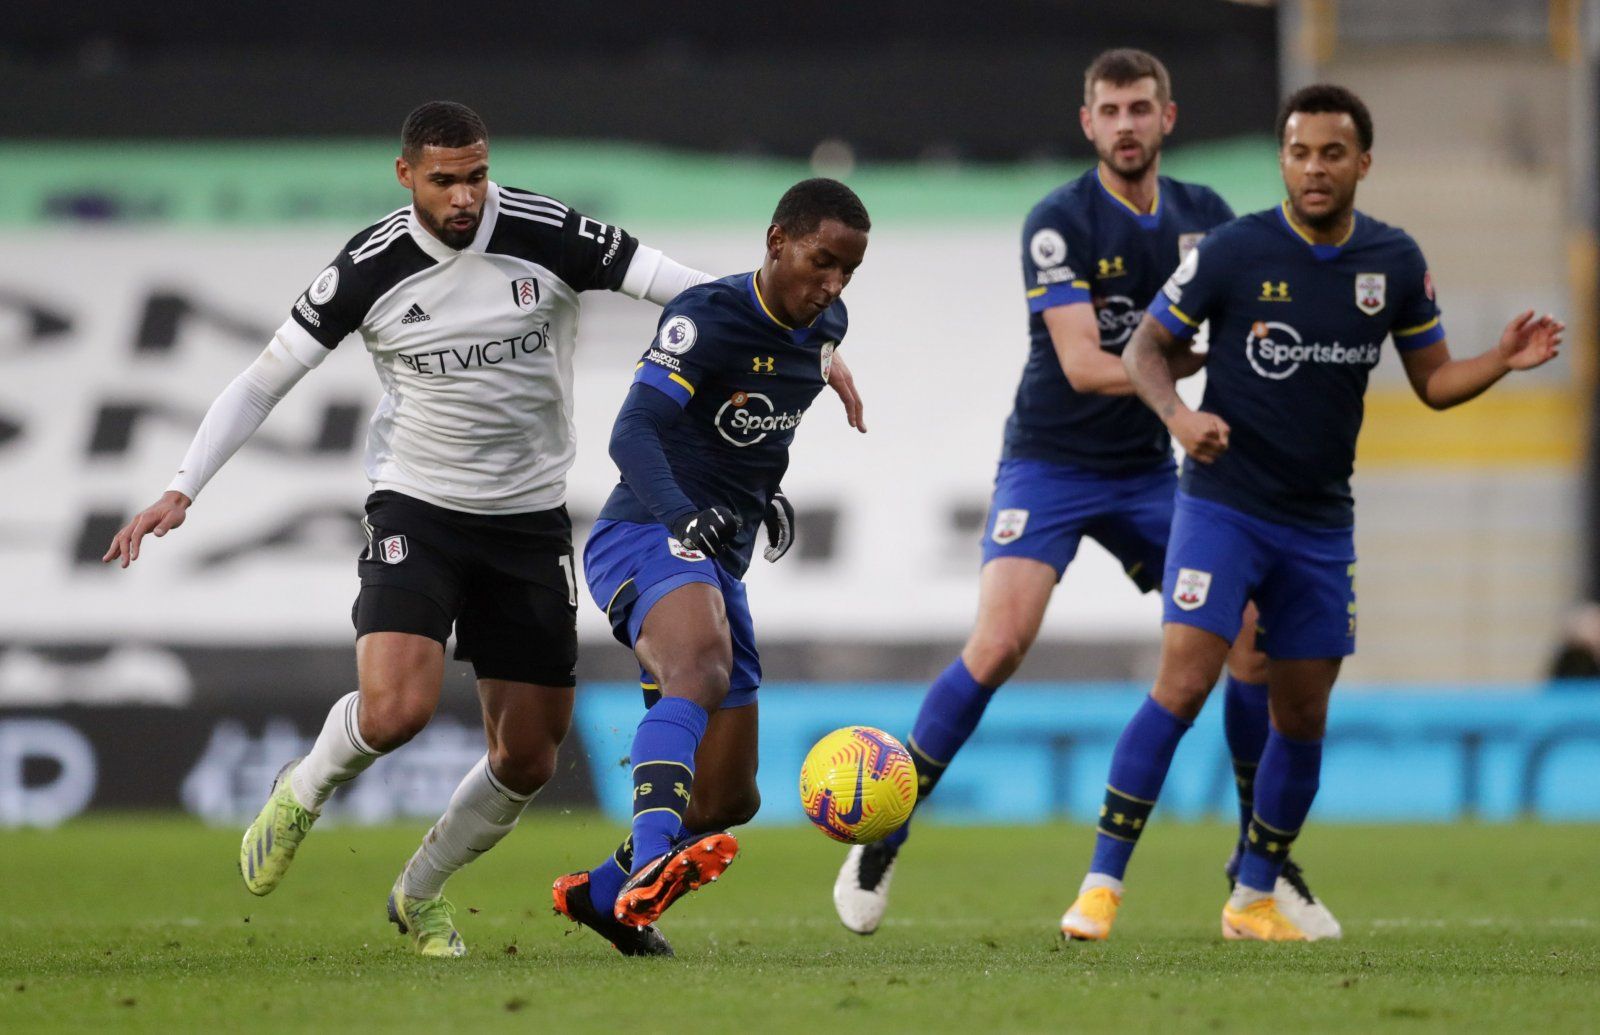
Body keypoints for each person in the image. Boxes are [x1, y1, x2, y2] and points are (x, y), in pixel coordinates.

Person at [101, 102, 865, 959]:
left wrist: (809, 343)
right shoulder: (368, 267)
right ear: (405, 176)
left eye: (476, 176)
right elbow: (261, 380)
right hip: (418, 506)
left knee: (529, 757)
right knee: (398, 709)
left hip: (530, 520)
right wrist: (182, 487)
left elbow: (689, 289)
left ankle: (420, 891)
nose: (465, 196)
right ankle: (303, 788)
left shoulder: (546, 231)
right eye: (444, 181)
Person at [832, 48, 1335, 940]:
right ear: (1088, 123)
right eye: (1111, 110)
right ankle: (888, 827)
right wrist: (1183, 388)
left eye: (1141, 108)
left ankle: (1258, 863)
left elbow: (1255, 326)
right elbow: (1080, 362)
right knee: (1001, 641)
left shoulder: (1206, 219)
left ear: (1167, 118)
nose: (1126, 125)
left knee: (1254, 634)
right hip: (1050, 463)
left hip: (1147, 471)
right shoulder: (1059, 221)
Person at [1060, 83, 1563, 941]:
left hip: (1320, 523)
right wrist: (1179, 418)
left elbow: (1435, 382)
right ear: (1283, 161)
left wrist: (1501, 359)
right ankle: (1101, 884)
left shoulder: (1393, 261)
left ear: (1363, 162)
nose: (1315, 168)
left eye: (1332, 153)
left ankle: (1253, 895)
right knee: (1183, 684)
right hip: (1224, 505)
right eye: (1299, 153)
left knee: (1302, 716)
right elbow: (1144, 348)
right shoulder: (1234, 249)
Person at [551, 178, 870, 951]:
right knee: (699, 668)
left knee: (729, 796)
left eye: (848, 271)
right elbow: (632, 433)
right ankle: (650, 866)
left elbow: (758, 416)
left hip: (720, 553)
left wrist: (762, 490)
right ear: (777, 242)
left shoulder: (827, 325)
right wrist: (682, 513)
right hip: (645, 529)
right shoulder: (706, 317)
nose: (832, 284)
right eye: (822, 261)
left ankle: (601, 896)